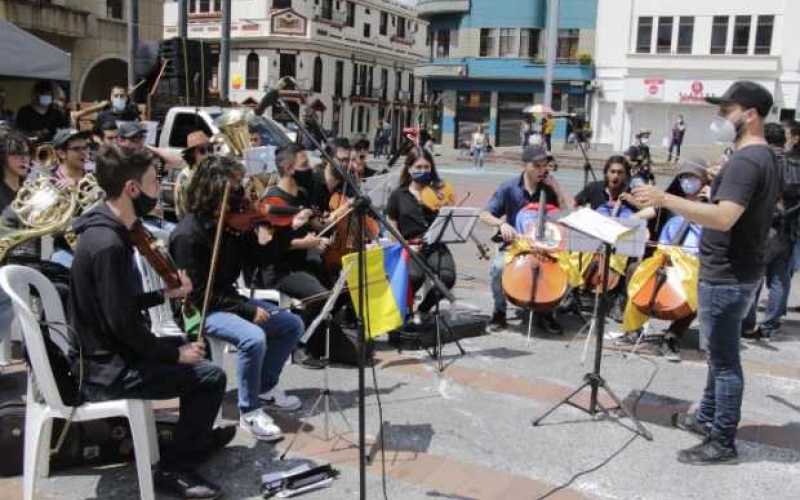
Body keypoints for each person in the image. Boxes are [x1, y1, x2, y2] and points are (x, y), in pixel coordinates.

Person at [69, 144, 231, 499]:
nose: (159, 189)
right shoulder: (108, 243)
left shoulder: (105, 231)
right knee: (208, 376)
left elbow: (116, 307)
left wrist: (162, 296)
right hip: (106, 370)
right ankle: (176, 466)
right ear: (132, 189)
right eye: (154, 182)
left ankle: (196, 436)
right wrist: (175, 356)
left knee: (194, 356)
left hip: (108, 353)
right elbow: (121, 325)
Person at [633, 81, 780, 464]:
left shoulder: (747, 160)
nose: (719, 117)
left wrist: (666, 198)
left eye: (725, 110)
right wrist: (721, 180)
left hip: (727, 275)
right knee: (718, 357)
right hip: (740, 271)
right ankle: (709, 420)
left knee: (725, 362)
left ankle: (722, 442)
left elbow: (724, 217)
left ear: (749, 115)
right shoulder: (762, 156)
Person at [170, 155, 305, 441]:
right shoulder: (188, 235)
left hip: (228, 300)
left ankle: (264, 387)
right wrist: (245, 311)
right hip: (200, 309)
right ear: (215, 191)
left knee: (291, 324)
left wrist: (279, 229)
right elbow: (197, 294)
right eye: (236, 190)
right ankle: (249, 411)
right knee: (253, 337)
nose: (243, 196)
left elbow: (261, 259)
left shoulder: (232, 226)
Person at [617, 159, 711, 362]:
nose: (687, 181)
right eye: (684, 177)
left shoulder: (711, 208)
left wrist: (710, 202)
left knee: (697, 284)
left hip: (693, 263)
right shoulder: (671, 202)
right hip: (666, 255)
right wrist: (629, 222)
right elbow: (648, 212)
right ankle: (635, 328)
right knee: (635, 270)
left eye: (693, 178)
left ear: (703, 182)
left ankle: (673, 335)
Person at [480, 145, 574, 334]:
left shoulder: (549, 189)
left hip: (545, 245)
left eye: (545, 166)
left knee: (568, 269)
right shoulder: (509, 188)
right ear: (525, 165)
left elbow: (565, 216)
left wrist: (557, 190)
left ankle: (546, 310)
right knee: (497, 268)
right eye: (537, 166)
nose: (542, 170)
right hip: (516, 245)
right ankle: (499, 311)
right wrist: (501, 224)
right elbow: (484, 214)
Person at [387, 146, 456, 318]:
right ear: (409, 169)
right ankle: (401, 312)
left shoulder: (438, 191)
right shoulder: (398, 195)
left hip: (435, 244)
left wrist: (446, 208)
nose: (423, 171)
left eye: (427, 167)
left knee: (447, 277)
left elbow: (449, 218)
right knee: (414, 276)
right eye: (418, 167)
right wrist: (404, 244)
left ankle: (423, 310)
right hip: (410, 245)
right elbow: (392, 222)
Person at [741, 122, 796, 339]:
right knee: (780, 278)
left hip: (764, 227)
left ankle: (747, 323)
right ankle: (770, 325)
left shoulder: (764, 160)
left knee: (754, 275)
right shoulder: (794, 161)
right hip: (789, 230)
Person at [174, 130, 211, 220]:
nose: (208, 154)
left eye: (210, 149)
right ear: (192, 154)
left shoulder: (209, 171)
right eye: (202, 151)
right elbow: (183, 211)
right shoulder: (185, 177)